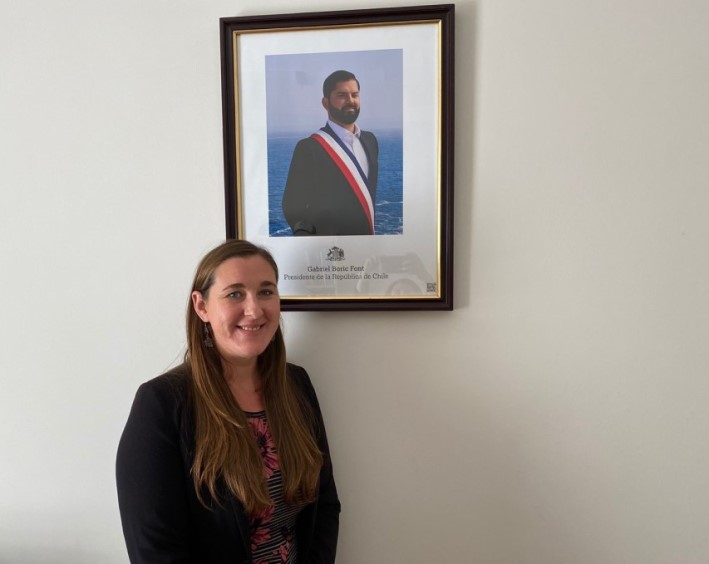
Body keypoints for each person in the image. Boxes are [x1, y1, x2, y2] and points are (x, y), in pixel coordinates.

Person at [116, 240, 340, 563]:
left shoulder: (297, 386)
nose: (254, 309)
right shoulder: (160, 405)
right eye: (235, 293)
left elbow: (325, 506)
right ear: (201, 306)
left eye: (266, 292)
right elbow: (155, 549)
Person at [282, 69, 379, 236]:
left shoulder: (370, 141)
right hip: (329, 252)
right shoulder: (309, 148)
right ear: (325, 103)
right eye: (342, 95)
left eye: (354, 95)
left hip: (366, 248)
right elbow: (292, 206)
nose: (350, 101)